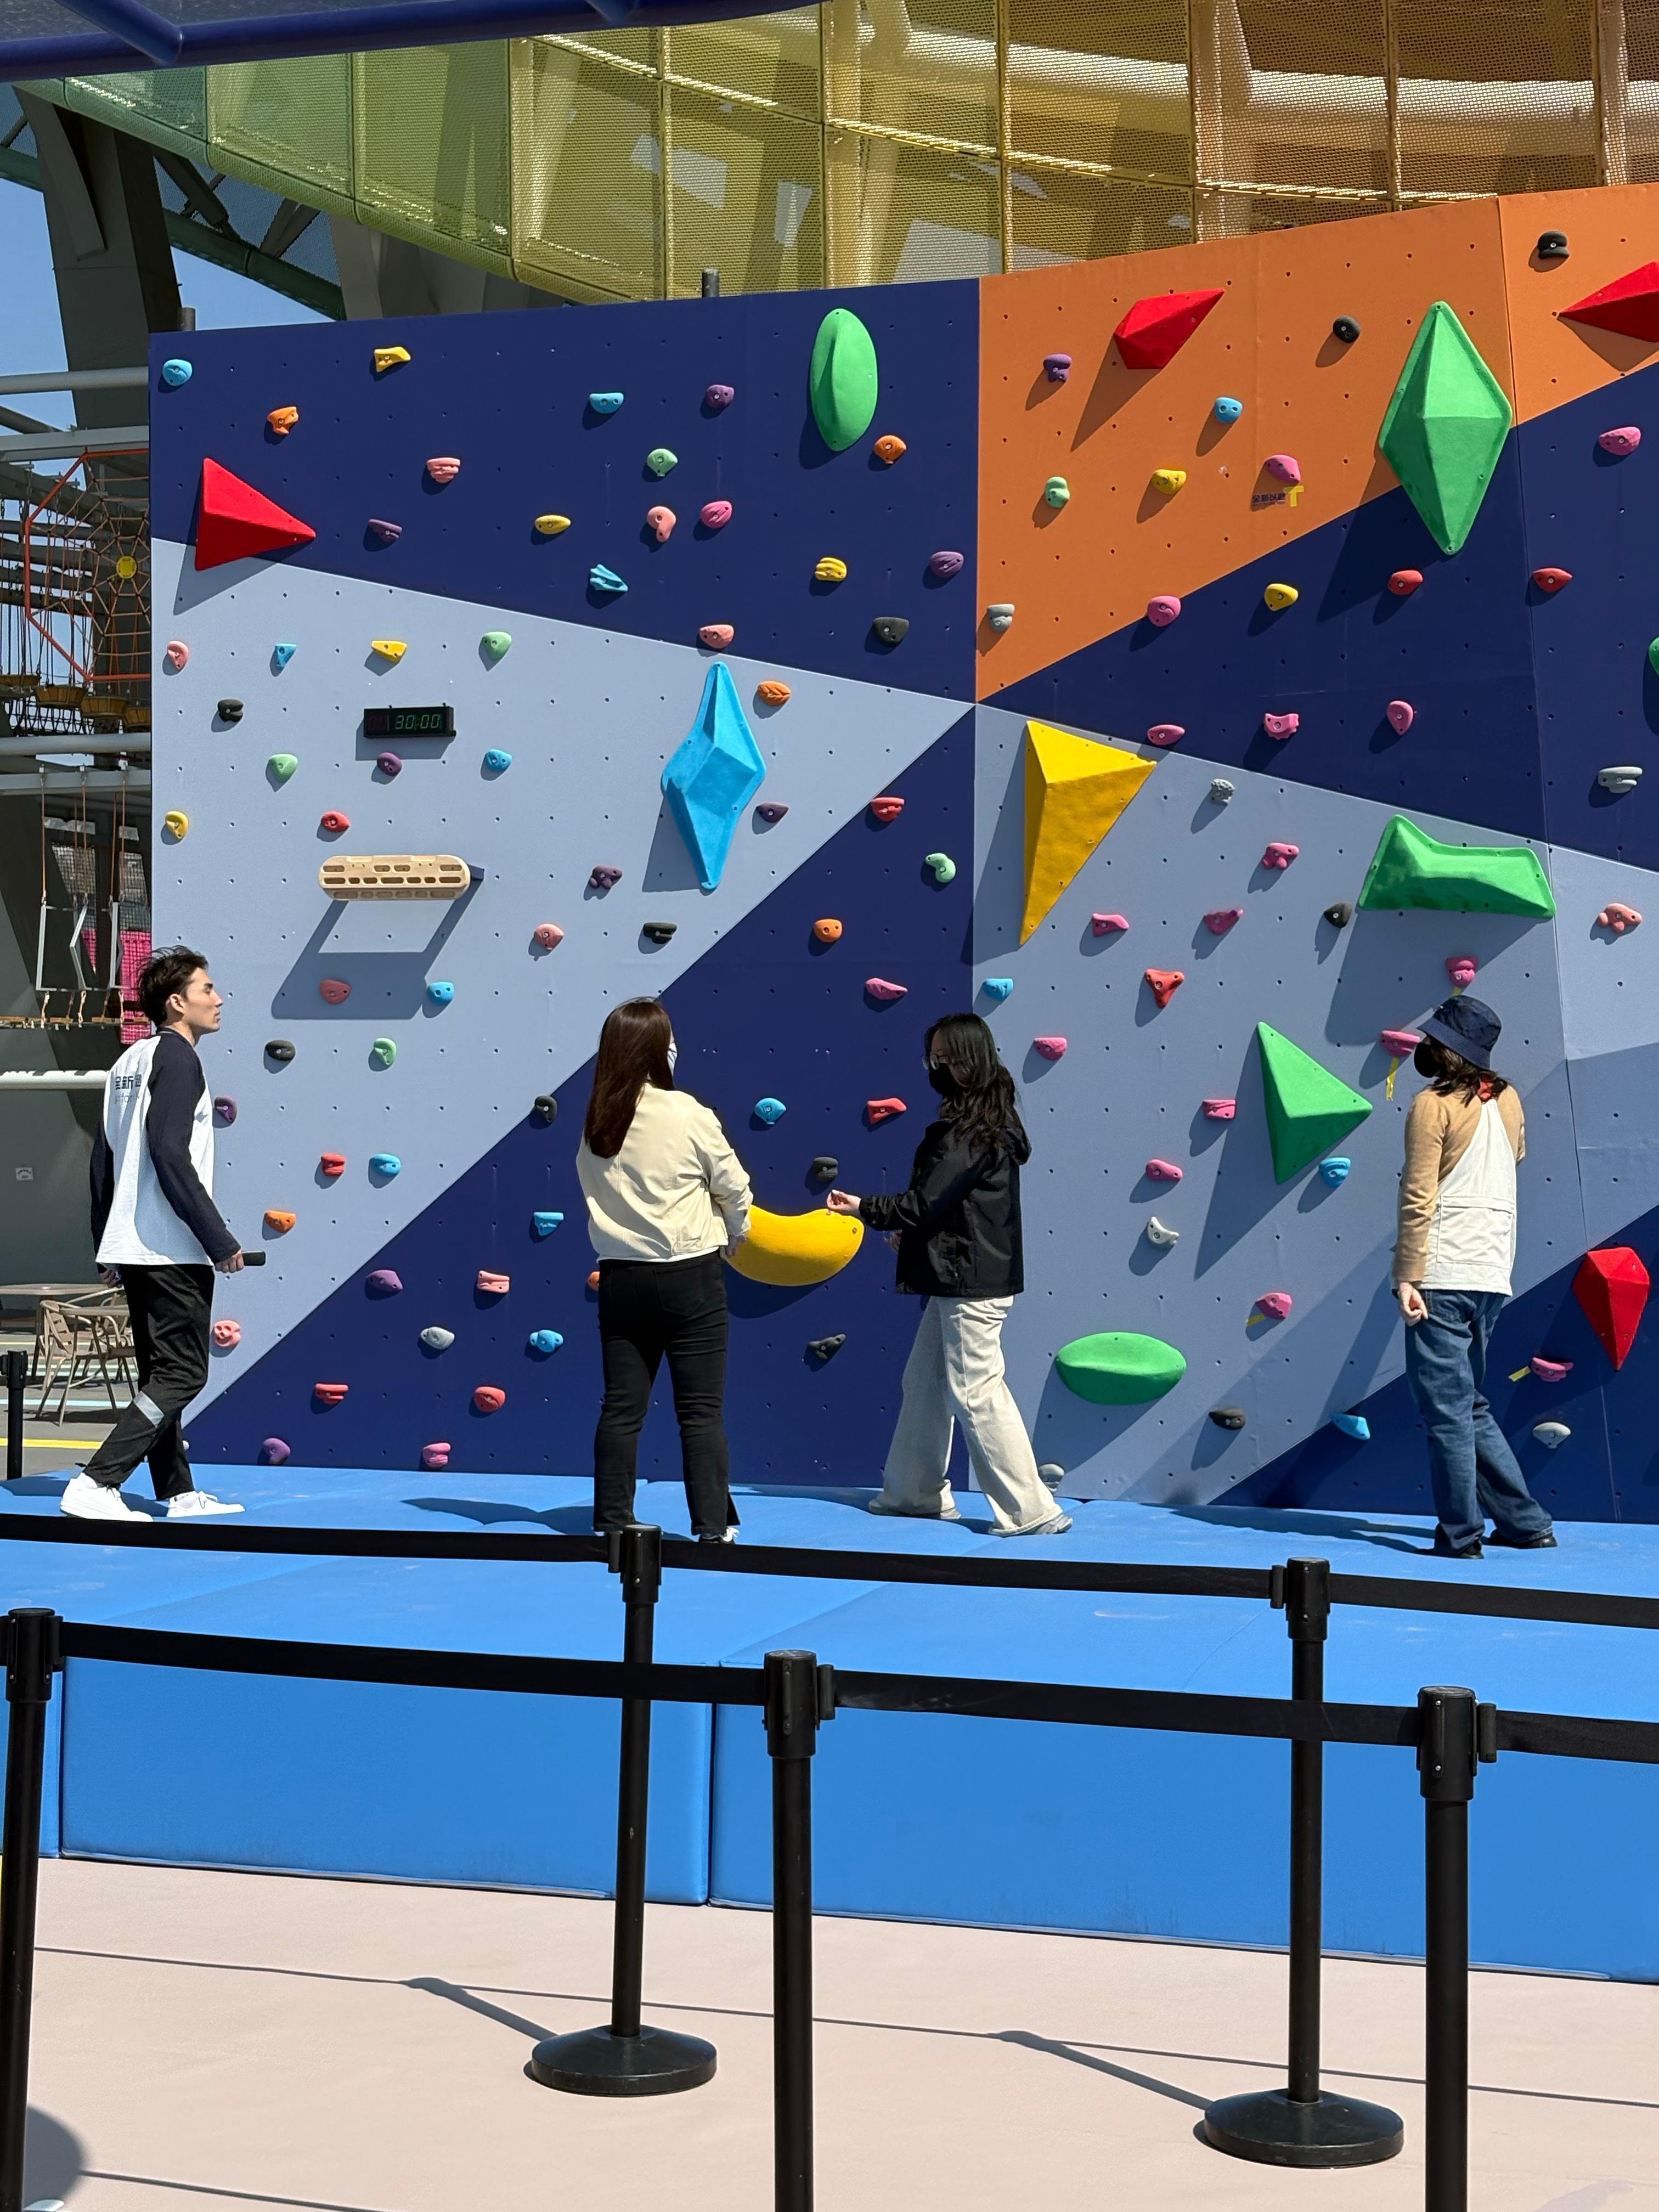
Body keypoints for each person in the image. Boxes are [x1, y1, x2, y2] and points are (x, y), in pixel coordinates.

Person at [827, 1012, 1070, 1536]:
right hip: (962, 1275)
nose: (942, 1069)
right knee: (925, 1383)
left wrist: (865, 1208)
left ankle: (1031, 1510)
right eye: (936, 1059)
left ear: (975, 1058)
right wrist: (911, 1233)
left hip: (968, 1281)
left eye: (952, 1059)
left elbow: (925, 1203)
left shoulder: (971, 1131)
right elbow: (952, 1209)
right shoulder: (986, 1122)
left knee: (976, 1391)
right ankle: (914, 1495)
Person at [62, 947, 246, 1522]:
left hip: (134, 1245)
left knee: (159, 1375)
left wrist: (105, 1244)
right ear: (177, 1002)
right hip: (169, 1246)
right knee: (184, 1372)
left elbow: (102, 1160)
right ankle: (97, 1481)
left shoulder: (129, 1061)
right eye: (207, 989)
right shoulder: (180, 1060)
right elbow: (169, 1153)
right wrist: (219, 1240)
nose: (218, 999)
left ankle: (177, 1491)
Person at [577, 998, 752, 1543]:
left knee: (621, 1408)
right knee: (700, 1412)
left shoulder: (597, 1122)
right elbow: (734, 1187)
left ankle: (612, 1521)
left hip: (621, 1279)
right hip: (688, 1275)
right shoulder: (687, 1113)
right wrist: (736, 1229)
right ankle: (712, 1527)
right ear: (657, 1049)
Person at [1393, 994, 1555, 1560]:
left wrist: (1407, 1275)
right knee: (1469, 1404)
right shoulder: (1507, 1099)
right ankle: (1525, 1524)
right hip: (1491, 1270)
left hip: (1441, 1269)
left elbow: (1419, 1194)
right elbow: (1515, 1158)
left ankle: (1461, 1535)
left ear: (1443, 1048)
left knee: (1446, 1412)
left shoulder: (1431, 1105)